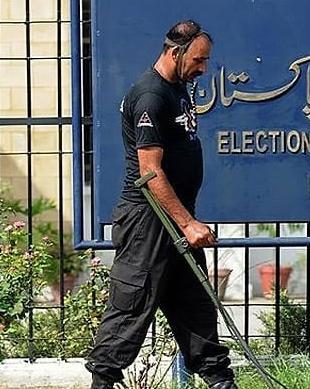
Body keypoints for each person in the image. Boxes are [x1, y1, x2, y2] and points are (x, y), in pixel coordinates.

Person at [85, 20, 237, 389]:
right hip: (149, 223)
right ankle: (102, 382)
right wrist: (188, 224)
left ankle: (220, 381)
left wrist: (185, 221)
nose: (203, 68)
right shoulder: (151, 95)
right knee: (130, 312)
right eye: (198, 60)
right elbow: (150, 173)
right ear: (174, 53)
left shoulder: (177, 89)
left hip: (175, 219)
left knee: (197, 310)